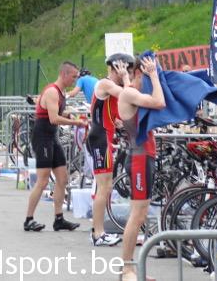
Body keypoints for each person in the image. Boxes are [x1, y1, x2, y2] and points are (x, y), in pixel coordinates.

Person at [24, 61, 89, 232]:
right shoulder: (52, 91)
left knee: (62, 178)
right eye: (73, 77)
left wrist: (74, 115)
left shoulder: (61, 92)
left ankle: (59, 218)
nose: (75, 81)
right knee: (43, 180)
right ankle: (29, 219)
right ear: (64, 74)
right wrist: (76, 123)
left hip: (52, 137)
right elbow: (54, 118)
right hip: (42, 137)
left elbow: (58, 112)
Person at [117, 55, 165, 281]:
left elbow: (133, 87)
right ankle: (127, 269)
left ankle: (132, 269)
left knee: (140, 214)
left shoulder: (130, 91)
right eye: (146, 72)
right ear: (139, 73)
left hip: (142, 157)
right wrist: (154, 76)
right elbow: (159, 102)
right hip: (139, 159)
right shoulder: (129, 94)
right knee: (137, 215)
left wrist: (128, 76)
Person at [87, 53, 134, 246]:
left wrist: (118, 123)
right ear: (118, 68)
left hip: (104, 136)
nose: (129, 74)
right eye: (127, 70)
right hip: (100, 138)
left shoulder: (110, 88)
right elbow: (129, 95)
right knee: (104, 187)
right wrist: (125, 78)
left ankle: (97, 231)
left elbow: (111, 113)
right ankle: (98, 233)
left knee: (104, 187)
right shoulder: (106, 84)